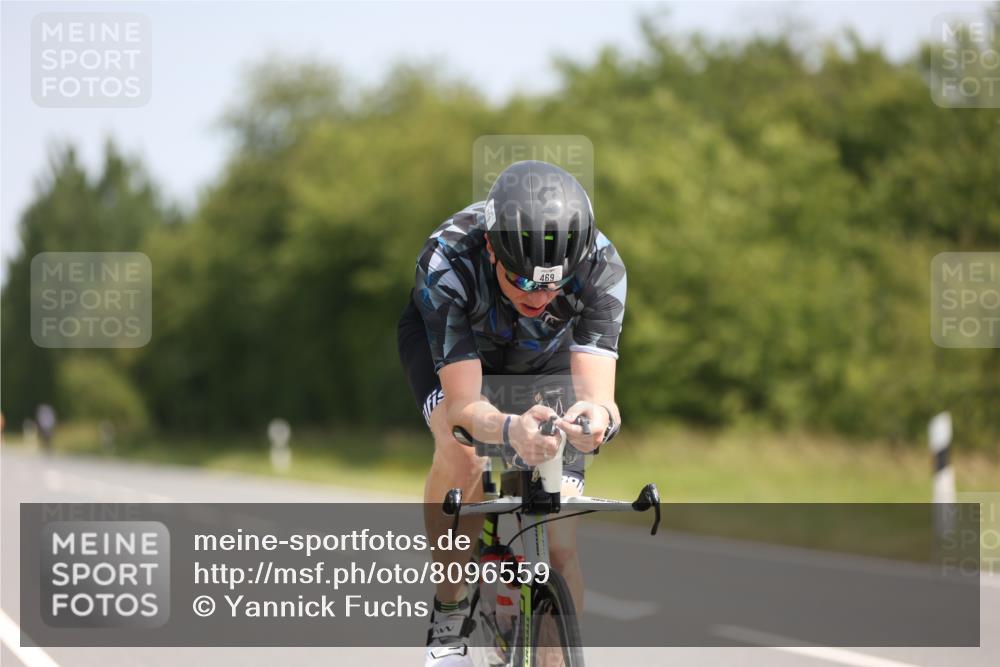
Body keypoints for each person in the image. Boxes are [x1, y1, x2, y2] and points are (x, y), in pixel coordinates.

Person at [397, 160, 627, 665]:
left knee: (561, 542)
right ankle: (450, 612)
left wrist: (594, 423)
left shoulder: (600, 267)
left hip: (545, 358)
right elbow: (462, 406)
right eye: (523, 281)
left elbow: (599, 396)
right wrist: (507, 428)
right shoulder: (448, 259)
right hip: (460, 350)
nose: (539, 296)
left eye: (552, 286)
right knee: (462, 451)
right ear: (491, 250)